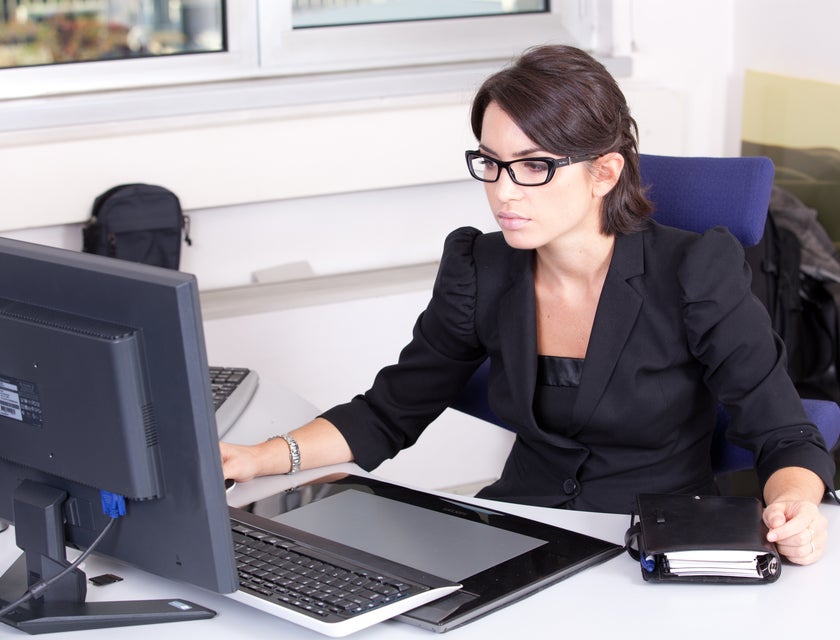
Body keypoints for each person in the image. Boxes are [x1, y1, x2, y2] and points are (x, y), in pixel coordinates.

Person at [221, 44, 835, 565]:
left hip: (649, 543)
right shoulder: (481, 267)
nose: (502, 192)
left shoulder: (694, 271)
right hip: (520, 532)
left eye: (535, 166)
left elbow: (787, 435)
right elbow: (389, 412)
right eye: (491, 163)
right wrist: (259, 457)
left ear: (604, 172)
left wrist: (796, 506)